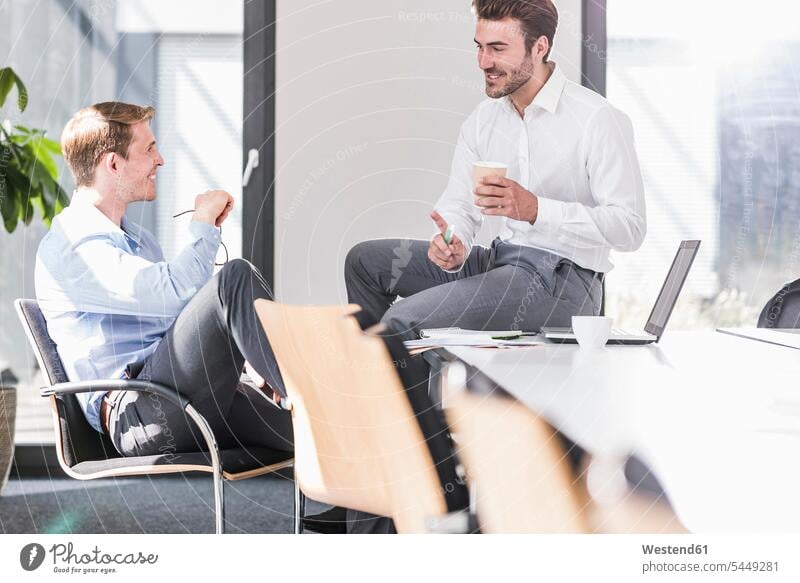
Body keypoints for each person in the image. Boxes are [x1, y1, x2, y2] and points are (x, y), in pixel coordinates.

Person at [345, 0, 646, 349]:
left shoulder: (597, 119)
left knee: (403, 320)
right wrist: (452, 242)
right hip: (501, 260)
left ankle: (388, 397)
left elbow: (631, 228)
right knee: (365, 262)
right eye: (480, 47)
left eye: (498, 49)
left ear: (540, 47)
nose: (484, 62)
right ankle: (368, 380)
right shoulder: (483, 120)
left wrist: (536, 210)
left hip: (565, 282)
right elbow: (459, 204)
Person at [35, 102, 292, 459]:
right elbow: (175, 293)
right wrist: (203, 223)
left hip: (183, 394)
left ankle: (350, 511)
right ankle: (301, 386)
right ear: (113, 163)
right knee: (234, 278)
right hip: (142, 412)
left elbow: (180, 322)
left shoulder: (139, 241)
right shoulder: (73, 247)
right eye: (150, 149)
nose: (161, 160)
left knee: (323, 434)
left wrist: (252, 359)